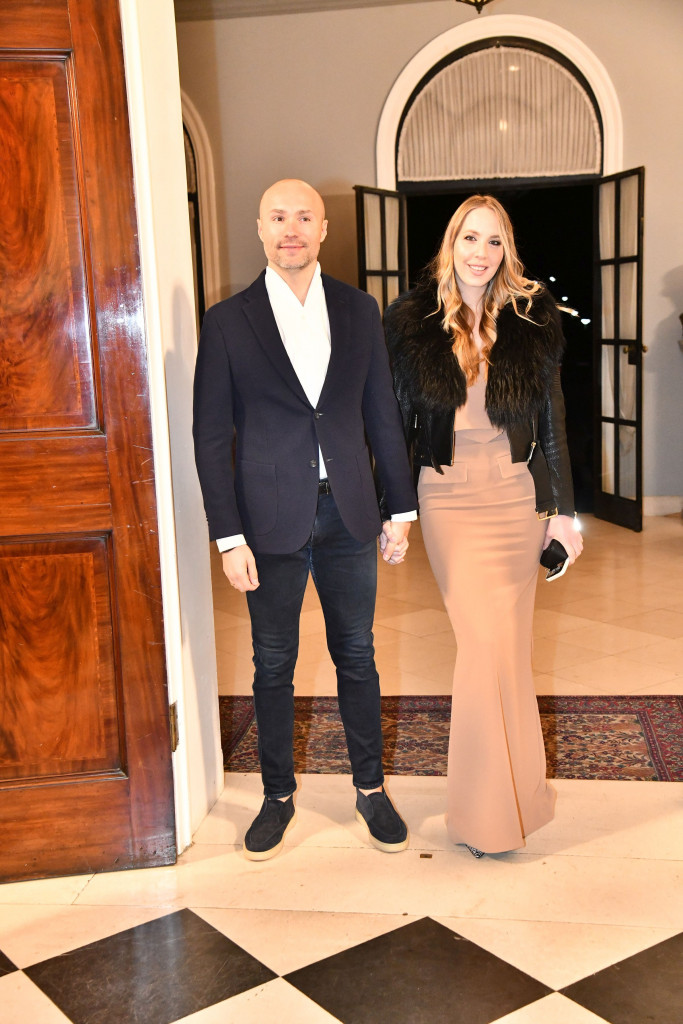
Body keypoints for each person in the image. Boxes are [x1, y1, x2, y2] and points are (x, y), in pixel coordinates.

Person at [193, 178, 417, 861]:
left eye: (303, 217)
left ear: (323, 229)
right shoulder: (227, 321)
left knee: (357, 654)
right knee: (272, 664)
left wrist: (400, 508)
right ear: (260, 229)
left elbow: (381, 411)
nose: (290, 229)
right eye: (277, 217)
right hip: (267, 524)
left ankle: (371, 789)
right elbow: (211, 435)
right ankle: (277, 797)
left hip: (348, 513)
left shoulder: (358, 309)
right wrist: (228, 536)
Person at [383, 194, 583, 856]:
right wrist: (396, 511)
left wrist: (565, 513)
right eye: (470, 237)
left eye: (493, 241)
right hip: (447, 498)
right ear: (451, 243)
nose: (480, 252)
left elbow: (551, 421)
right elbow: (395, 423)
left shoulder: (530, 318)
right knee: (481, 646)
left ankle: (519, 801)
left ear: (506, 251)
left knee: (508, 654)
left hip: (516, 495)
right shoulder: (412, 322)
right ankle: (485, 816)